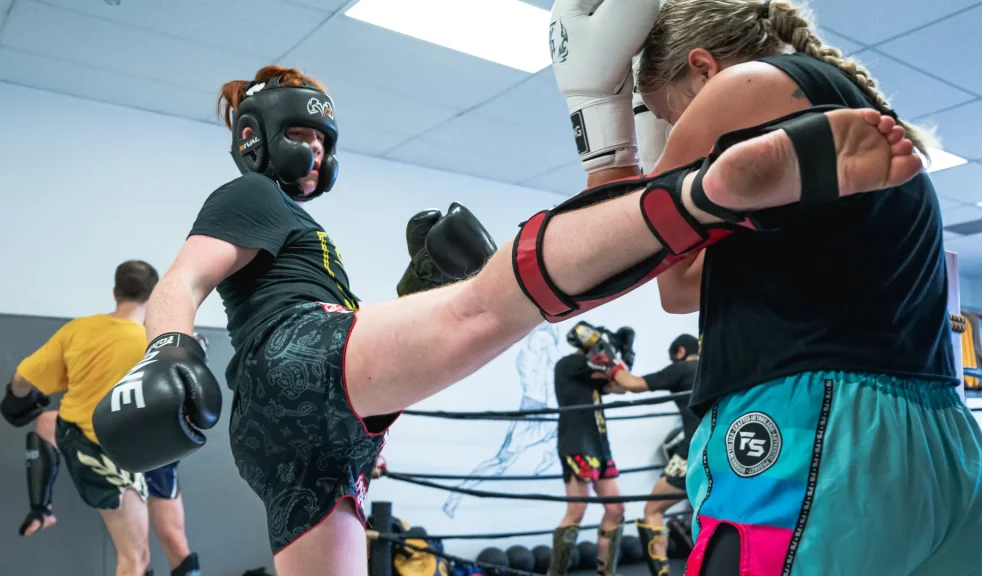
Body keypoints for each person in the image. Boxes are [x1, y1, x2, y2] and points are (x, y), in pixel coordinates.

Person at [90, 48, 922, 576]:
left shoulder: (293, 232)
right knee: (487, 309)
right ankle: (702, 196)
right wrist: (168, 350)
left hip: (300, 441)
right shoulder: (247, 196)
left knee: (465, 312)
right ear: (254, 137)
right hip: (293, 371)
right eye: (303, 138)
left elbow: (348, 349)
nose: (315, 154)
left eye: (323, 143)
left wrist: (415, 292)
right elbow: (181, 280)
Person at [558, 0, 982, 574]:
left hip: (815, 432)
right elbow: (681, 291)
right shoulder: (848, 113)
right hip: (939, 441)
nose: (670, 133)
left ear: (703, 68)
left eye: (666, 115)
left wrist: (605, 134)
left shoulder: (743, 85)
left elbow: (613, 258)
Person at [0, 261, 200, 576]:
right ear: (152, 296)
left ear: (115, 292)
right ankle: (41, 507)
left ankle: (41, 507)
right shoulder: (161, 341)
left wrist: (16, 399)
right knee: (160, 550)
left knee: (140, 557)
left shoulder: (80, 331)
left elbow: (22, 379)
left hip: (111, 447)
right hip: (141, 451)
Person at [597, 333, 701, 576]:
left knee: (653, 509)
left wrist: (609, 362)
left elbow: (633, 384)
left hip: (694, 451)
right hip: (726, 450)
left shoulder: (682, 368)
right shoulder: (714, 367)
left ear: (680, 352)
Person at [442, 324, 561, 519]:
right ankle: (457, 494)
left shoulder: (539, 347)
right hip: (532, 412)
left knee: (570, 430)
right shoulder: (540, 340)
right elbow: (558, 362)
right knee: (500, 463)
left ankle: (547, 461)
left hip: (544, 412)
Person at [546, 320, 634, 576]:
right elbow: (608, 370)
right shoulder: (569, 364)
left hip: (599, 445)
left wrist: (626, 357)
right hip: (577, 443)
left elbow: (622, 386)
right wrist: (613, 357)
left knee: (616, 509)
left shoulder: (592, 373)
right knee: (577, 510)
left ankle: (606, 573)